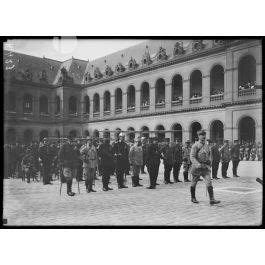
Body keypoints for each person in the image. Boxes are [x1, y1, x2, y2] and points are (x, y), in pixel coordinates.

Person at [190, 130, 221, 205]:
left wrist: (209, 163)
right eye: (201, 135)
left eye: (204, 135)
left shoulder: (207, 146)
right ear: (198, 136)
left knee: (209, 182)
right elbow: (192, 157)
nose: (203, 136)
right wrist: (198, 164)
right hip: (197, 168)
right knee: (194, 183)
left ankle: (212, 199)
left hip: (205, 167)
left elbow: (210, 156)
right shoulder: (195, 145)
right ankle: (193, 198)